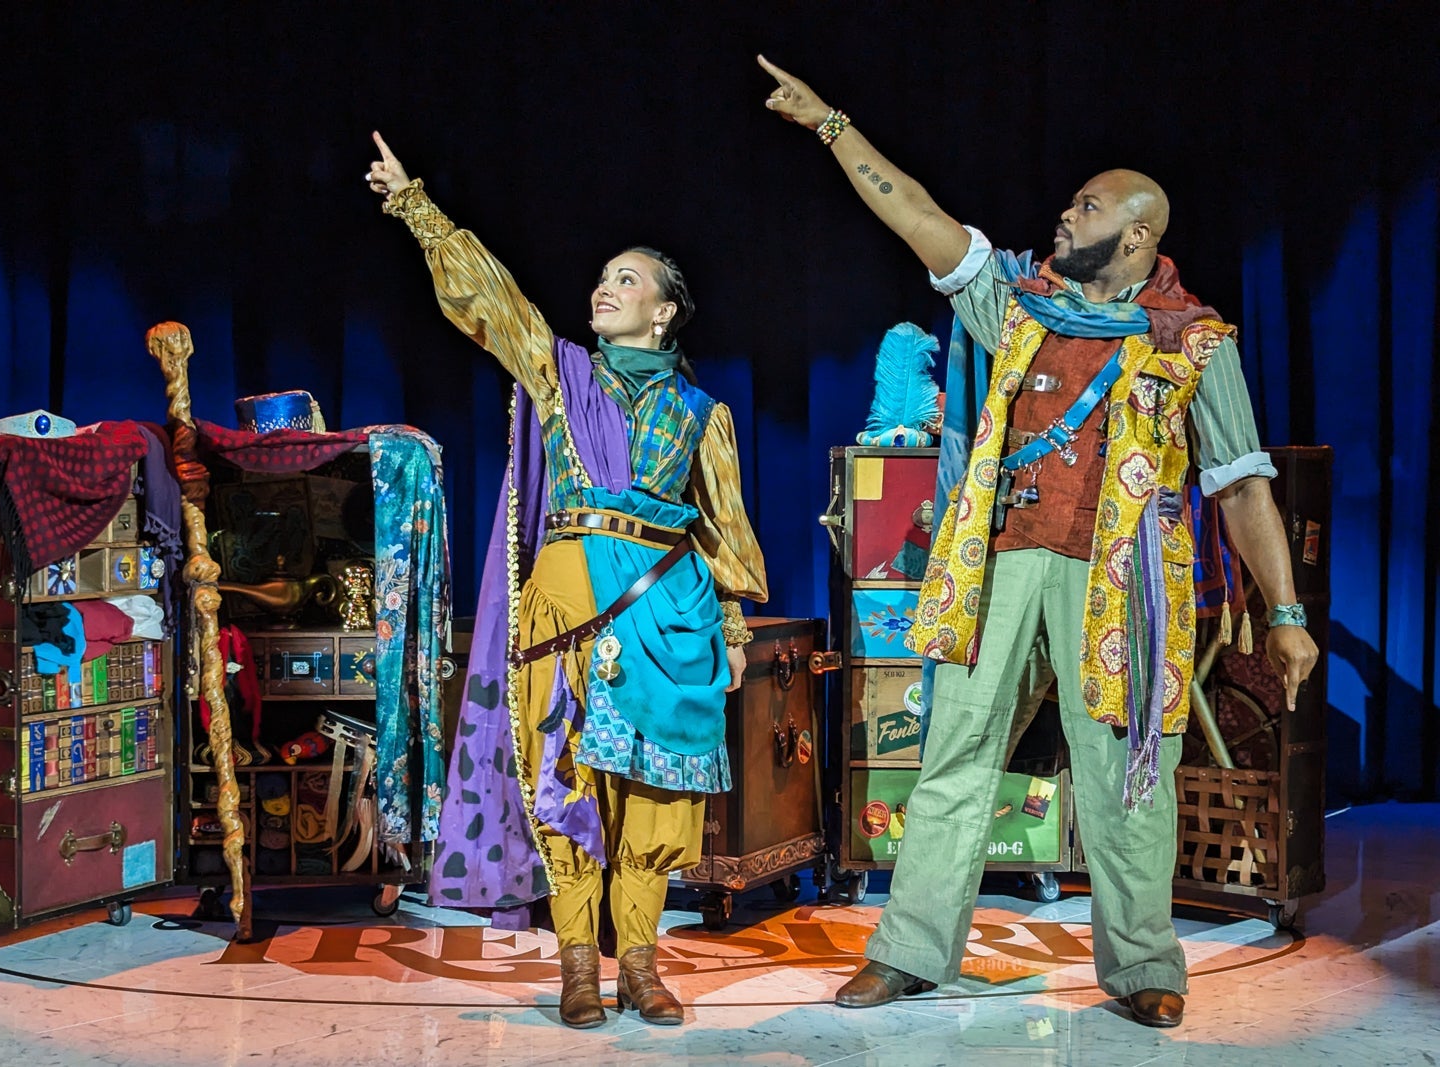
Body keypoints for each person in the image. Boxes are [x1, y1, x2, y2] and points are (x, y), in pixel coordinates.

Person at [758, 58, 1318, 1029]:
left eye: (1087, 206)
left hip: (1125, 584)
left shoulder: (1193, 342)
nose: (1066, 214)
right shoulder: (1017, 300)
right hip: (1001, 565)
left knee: (1128, 772)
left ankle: (1142, 962)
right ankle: (908, 948)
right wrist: (829, 124)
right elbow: (918, 216)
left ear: (1137, 235)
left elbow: (1240, 483)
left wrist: (1285, 611)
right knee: (953, 753)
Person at [365, 133, 768, 1030]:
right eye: (603, 277)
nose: (605, 287)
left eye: (628, 279)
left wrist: (734, 633)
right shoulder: (560, 376)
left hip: (669, 607)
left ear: (665, 312)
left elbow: (723, 531)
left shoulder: (702, 414)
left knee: (658, 798)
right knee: (568, 778)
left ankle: (642, 966)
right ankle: (579, 965)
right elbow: (493, 303)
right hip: (569, 594)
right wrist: (415, 206)